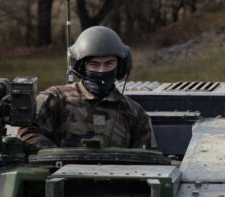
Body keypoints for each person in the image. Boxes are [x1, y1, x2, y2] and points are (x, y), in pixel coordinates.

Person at [17, 26, 156, 151]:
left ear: (120, 66)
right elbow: (28, 133)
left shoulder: (134, 112)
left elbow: (148, 156)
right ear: (81, 66)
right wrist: (56, 156)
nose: (101, 71)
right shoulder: (56, 99)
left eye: (109, 64)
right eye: (94, 64)